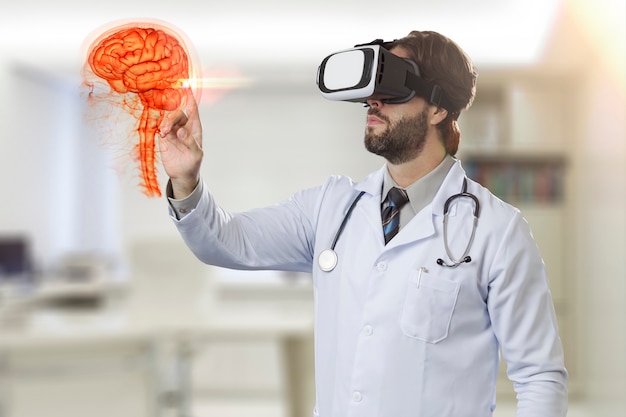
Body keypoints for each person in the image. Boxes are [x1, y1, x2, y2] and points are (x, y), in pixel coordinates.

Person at [159, 31, 568, 417]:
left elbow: (539, 377)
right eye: (372, 87)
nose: (373, 100)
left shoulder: (498, 231)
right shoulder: (332, 208)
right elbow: (226, 241)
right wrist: (186, 180)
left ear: (438, 108)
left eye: (392, 86)